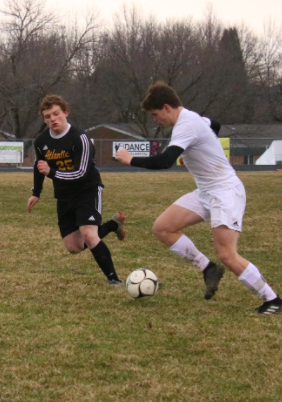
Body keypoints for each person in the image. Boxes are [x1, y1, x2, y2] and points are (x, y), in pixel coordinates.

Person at [115, 81, 281, 314]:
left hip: (225, 192)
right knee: (163, 228)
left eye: (155, 115)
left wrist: (130, 160)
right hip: (206, 192)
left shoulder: (186, 125)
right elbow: (216, 124)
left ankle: (272, 299)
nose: (155, 120)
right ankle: (207, 268)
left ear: (166, 107)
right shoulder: (193, 119)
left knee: (227, 254)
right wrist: (197, 151)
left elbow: (163, 161)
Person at [27, 94, 126, 285]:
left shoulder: (80, 139)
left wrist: (52, 172)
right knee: (74, 247)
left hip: (86, 189)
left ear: (65, 113)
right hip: (64, 195)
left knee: (89, 234)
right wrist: (36, 193)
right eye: (47, 116)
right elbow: (39, 166)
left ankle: (114, 279)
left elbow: (80, 173)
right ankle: (113, 225)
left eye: (56, 114)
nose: (52, 119)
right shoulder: (41, 141)